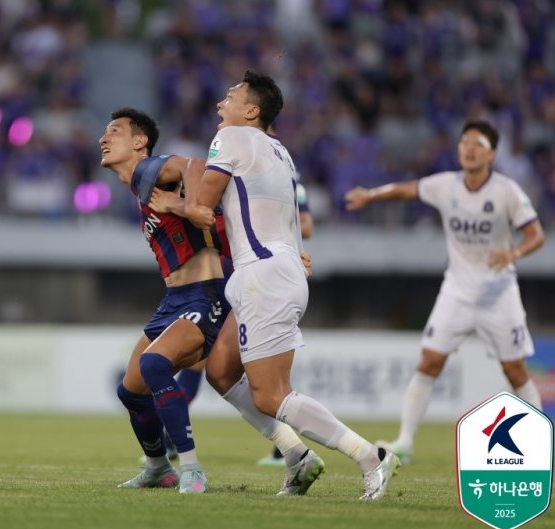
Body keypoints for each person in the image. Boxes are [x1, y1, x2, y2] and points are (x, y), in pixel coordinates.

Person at [186, 70, 400, 501]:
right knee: (221, 370)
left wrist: (168, 199)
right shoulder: (279, 151)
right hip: (273, 269)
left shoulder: (231, 137)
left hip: (263, 274)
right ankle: (297, 457)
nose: (220, 104)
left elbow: (202, 207)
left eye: (231, 96)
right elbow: (285, 215)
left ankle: (370, 456)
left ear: (252, 111)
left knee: (270, 395)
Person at [102, 107, 325, 497]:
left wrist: (186, 206)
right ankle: (158, 468)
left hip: (204, 296)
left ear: (140, 142)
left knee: (157, 366)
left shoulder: (149, 169)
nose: (103, 138)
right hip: (174, 299)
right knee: (131, 390)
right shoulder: (144, 191)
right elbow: (218, 229)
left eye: (115, 131)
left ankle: (191, 470)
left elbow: (196, 163)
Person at [344, 120, 545, 465]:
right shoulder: (445, 185)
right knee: (430, 361)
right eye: (464, 142)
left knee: (515, 371)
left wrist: (511, 255)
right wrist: (370, 195)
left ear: (492, 153)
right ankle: (404, 443)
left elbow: (535, 234)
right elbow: (406, 190)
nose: (468, 148)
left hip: (498, 292)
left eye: (477, 144)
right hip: (457, 291)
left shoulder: (506, 191)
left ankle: (540, 444)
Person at [257, 180, 314, 467]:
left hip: (272, 278)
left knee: (264, 379)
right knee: (219, 369)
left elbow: (307, 226)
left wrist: (281, 237)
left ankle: (290, 449)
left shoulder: (291, 184)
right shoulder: (236, 172)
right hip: (248, 274)